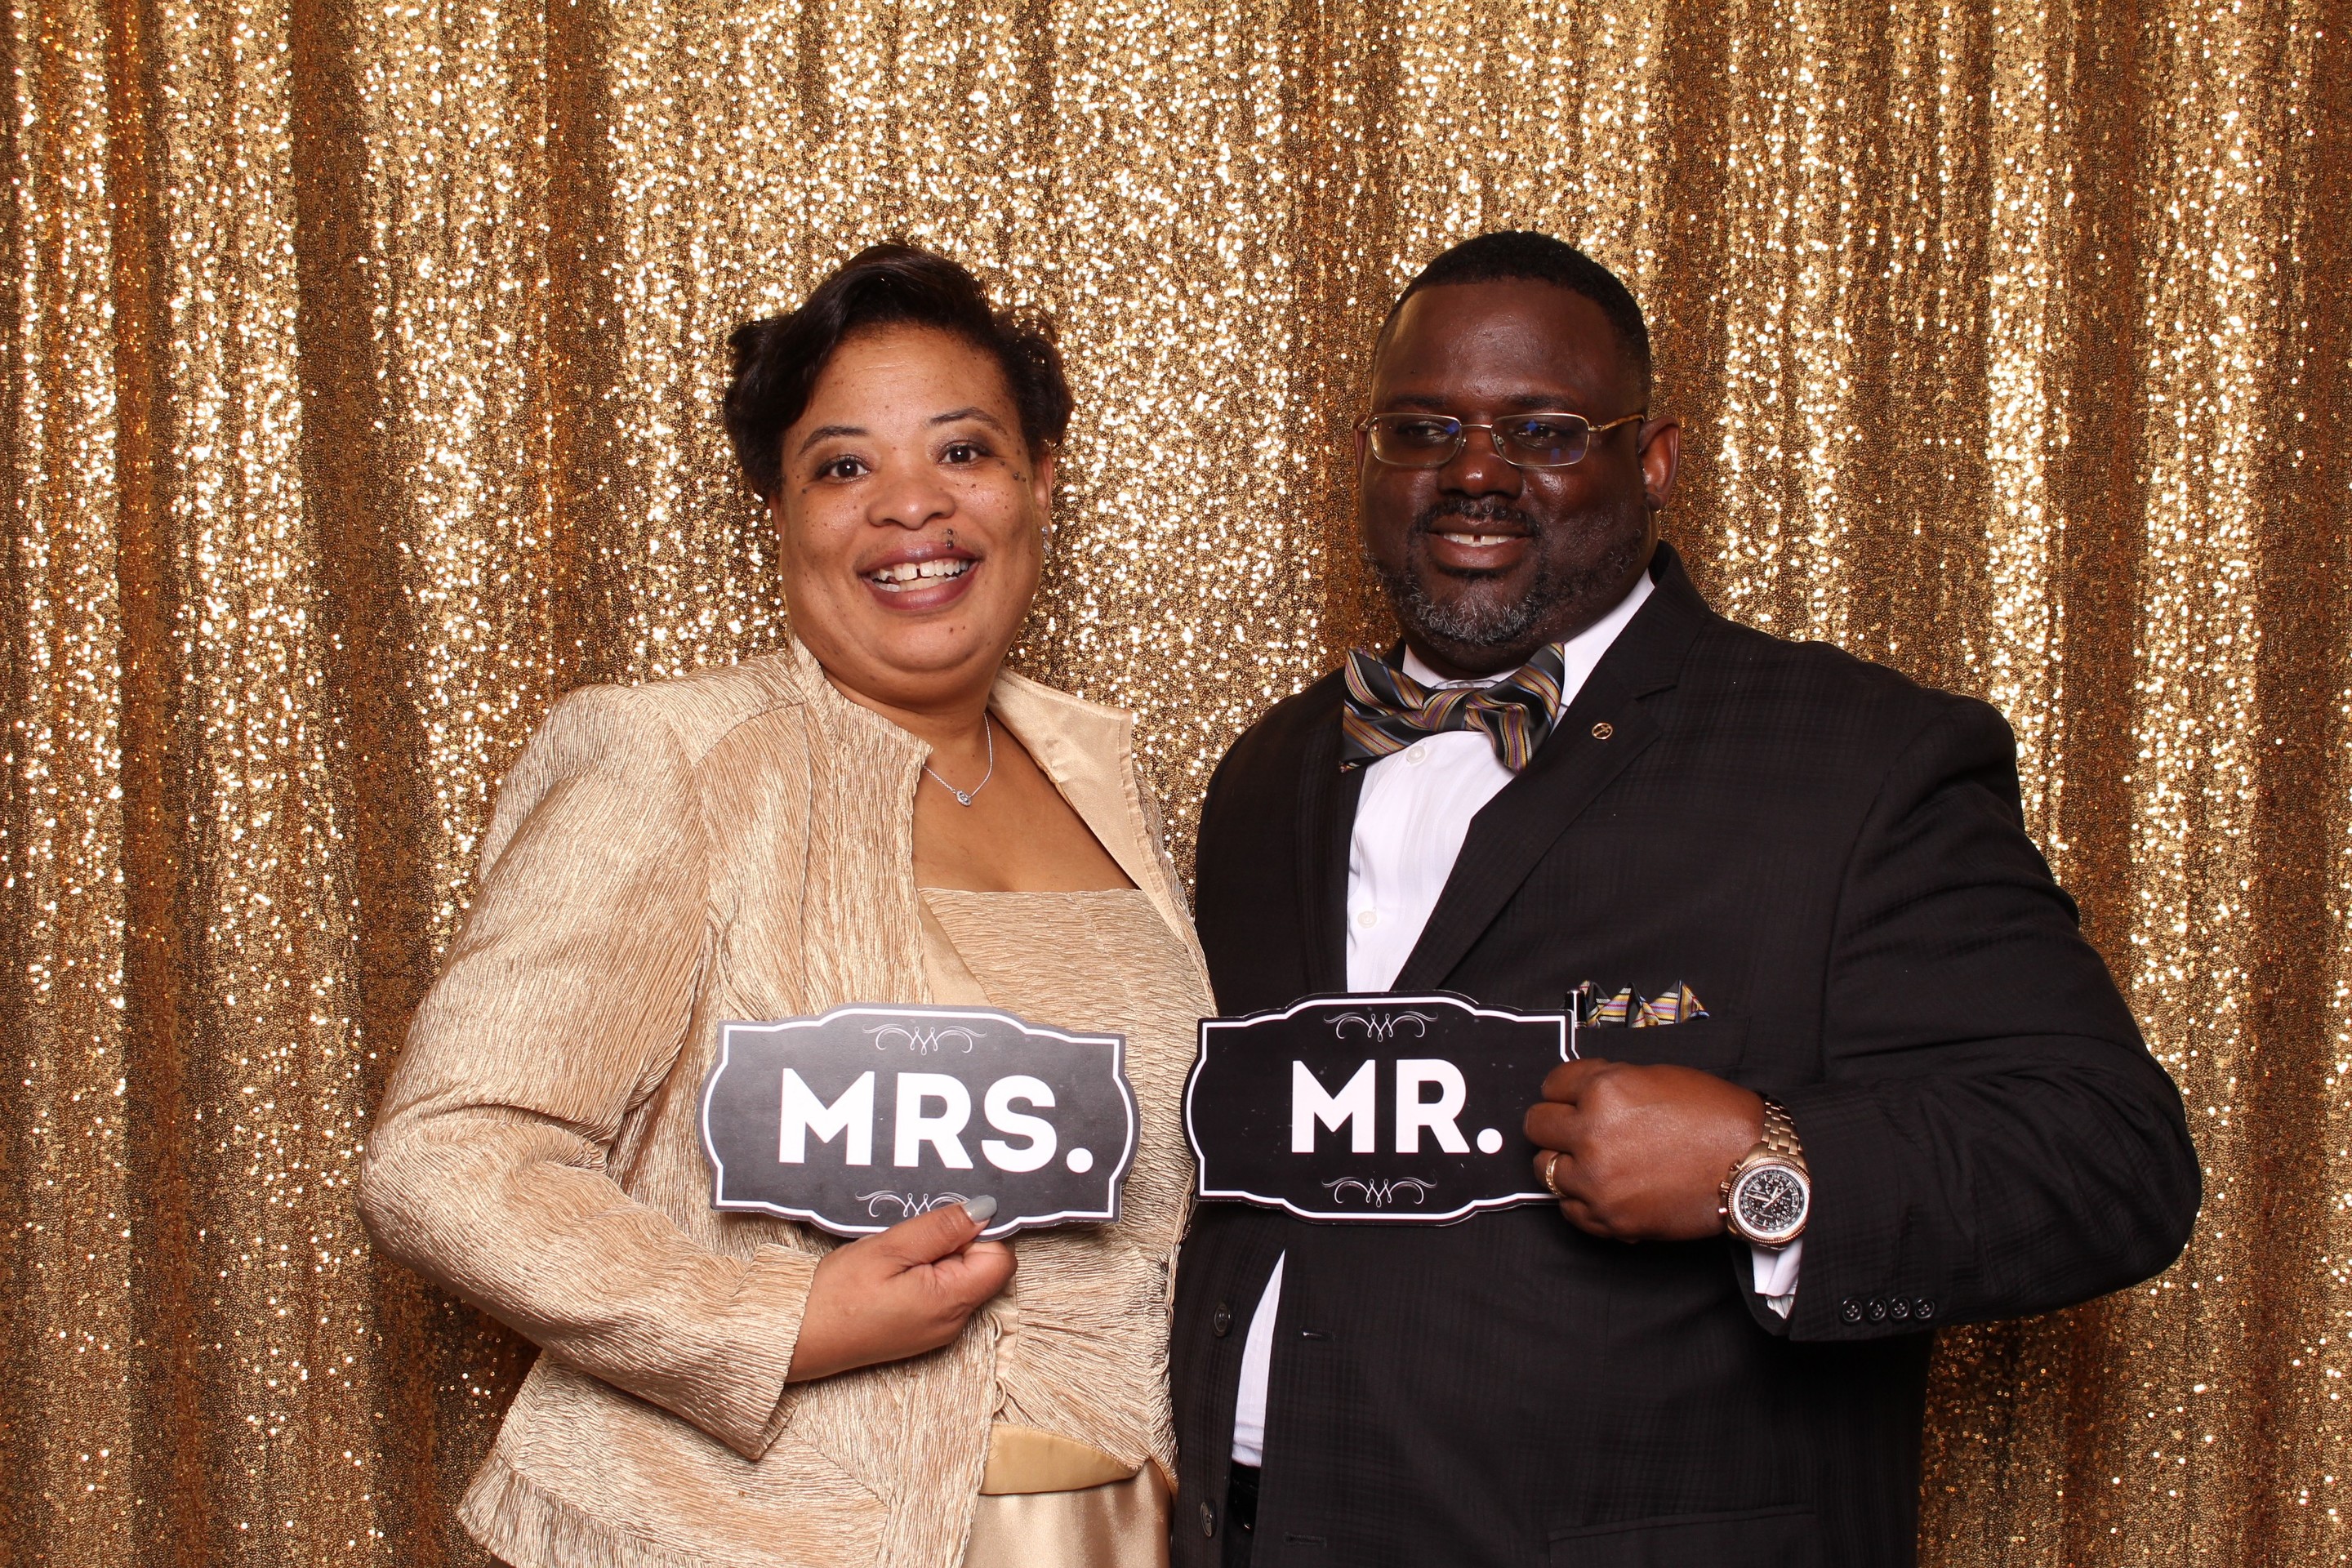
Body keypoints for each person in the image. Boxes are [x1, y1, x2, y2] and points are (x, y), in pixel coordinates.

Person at [1169, 231, 2200, 1567]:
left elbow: (2113, 1158)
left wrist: (1766, 1165)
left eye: (1544, 432)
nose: (1475, 472)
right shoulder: (1272, 771)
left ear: (1652, 460)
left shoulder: (1854, 760)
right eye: (1424, 429)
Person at [359, 243, 1211, 1568]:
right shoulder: (680, 762)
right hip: (743, 1533)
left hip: (1106, 1531)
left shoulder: (1105, 779)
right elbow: (449, 1154)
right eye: (843, 466)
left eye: (964, 451)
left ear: (1041, 480)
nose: (911, 506)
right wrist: (776, 1323)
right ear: (780, 510)